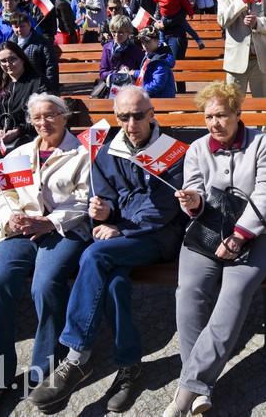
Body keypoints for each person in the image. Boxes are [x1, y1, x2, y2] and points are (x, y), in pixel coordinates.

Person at [26, 85, 186, 412]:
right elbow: (104, 197)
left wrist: (120, 226)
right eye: (124, 117)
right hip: (120, 238)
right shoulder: (109, 151)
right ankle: (129, 366)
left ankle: (77, 356)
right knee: (113, 283)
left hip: (157, 236)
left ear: (151, 114)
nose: (131, 124)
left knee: (94, 255)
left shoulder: (172, 151)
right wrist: (103, 211)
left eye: (138, 116)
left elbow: (162, 209)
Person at [168, 81, 266, 416]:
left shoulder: (262, 144)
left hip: (257, 233)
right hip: (207, 231)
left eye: (221, 115)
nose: (215, 123)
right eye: (209, 117)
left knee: (234, 292)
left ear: (237, 113)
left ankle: (186, 391)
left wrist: (240, 235)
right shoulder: (197, 149)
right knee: (189, 290)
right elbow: (195, 191)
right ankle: (199, 388)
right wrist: (193, 201)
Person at [0, 93, 90, 416]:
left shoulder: (82, 153)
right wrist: (9, 218)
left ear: (64, 116)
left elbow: (84, 200)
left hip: (63, 229)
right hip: (20, 231)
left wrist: (50, 221)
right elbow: (0, 193)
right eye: (37, 117)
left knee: (46, 284)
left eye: (50, 115)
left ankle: (46, 371)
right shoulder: (20, 153)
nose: (44, 122)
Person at [6, 12, 59, 94]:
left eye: (22, 26)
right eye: (16, 27)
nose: (19, 30)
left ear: (29, 25)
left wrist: (49, 88)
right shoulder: (10, 43)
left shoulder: (42, 43)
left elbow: (51, 66)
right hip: (18, 86)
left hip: (38, 85)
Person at [98, 15, 144, 84]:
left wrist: (130, 72)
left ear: (128, 33)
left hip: (131, 86)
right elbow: (102, 73)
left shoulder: (136, 50)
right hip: (112, 86)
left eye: (121, 32)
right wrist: (117, 73)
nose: (116, 35)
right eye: (114, 32)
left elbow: (143, 72)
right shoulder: (107, 48)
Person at [132, 27, 176, 98]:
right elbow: (147, 72)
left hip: (161, 99)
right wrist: (134, 73)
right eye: (142, 42)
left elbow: (157, 84)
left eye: (147, 41)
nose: (144, 45)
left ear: (157, 41)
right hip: (151, 96)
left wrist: (138, 90)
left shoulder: (161, 60)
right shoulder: (150, 54)